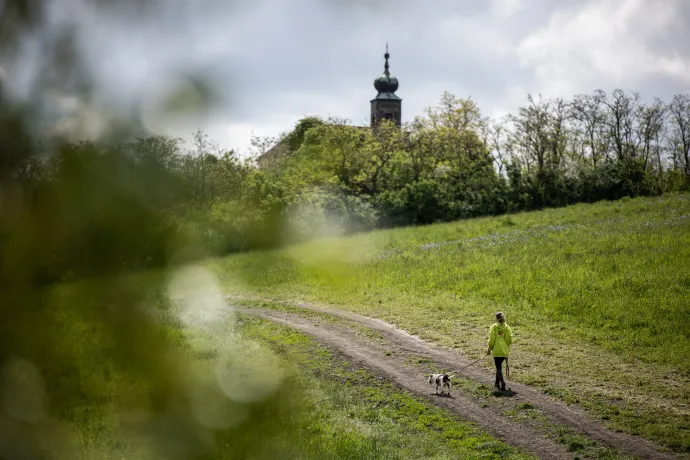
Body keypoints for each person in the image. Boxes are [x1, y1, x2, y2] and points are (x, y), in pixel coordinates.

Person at [486, 311, 512, 391]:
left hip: (497, 351)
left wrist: (489, 349)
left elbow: (492, 340)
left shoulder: (494, 327)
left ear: (496, 318)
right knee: (499, 367)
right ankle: (497, 383)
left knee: (498, 368)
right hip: (504, 351)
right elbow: (510, 340)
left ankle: (502, 382)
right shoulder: (507, 327)